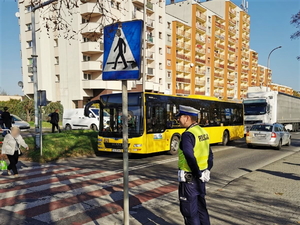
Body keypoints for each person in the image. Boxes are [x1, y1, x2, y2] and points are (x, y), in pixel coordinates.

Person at [176, 105, 213, 225]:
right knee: (201, 209)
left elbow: (189, 155)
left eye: (179, 117)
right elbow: (210, 154)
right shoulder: (202, 131)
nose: (178, 119)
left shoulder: (188, 134)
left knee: (190, 213)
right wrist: (206, 170)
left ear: (186, 118)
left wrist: (197, 173)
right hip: (201, 178)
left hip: (189, 180)